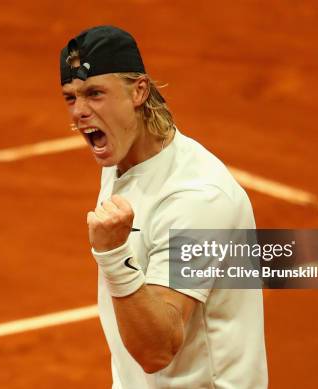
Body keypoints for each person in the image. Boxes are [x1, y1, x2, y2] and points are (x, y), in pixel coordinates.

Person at [60, 25, 268, 389]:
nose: (79, 112)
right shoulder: (120, 159)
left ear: (139, 91)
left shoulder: (198, 198)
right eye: (71, 97)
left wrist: (113, 255)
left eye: (95, 94)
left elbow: (157, 349)